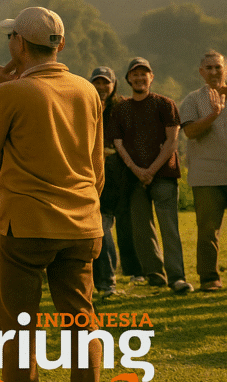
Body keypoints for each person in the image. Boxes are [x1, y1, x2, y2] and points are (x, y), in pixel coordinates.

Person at [0, 6, 105, 382]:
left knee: (18, 331)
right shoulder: (88, 90)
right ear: (59, 45)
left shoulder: (11, 92)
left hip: (26, 226)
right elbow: (97, 169)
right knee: (82, 324)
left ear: (18, 45)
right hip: (83, 225)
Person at [111, 57, 191, 293]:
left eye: (143, 73)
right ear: (128, 79)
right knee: (142, 230)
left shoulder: (165, 104)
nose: (139, 77)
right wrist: (137, 171)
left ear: (151, 77)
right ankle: (155, 276)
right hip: (134, 178)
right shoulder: (121, 109)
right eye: (134, 74)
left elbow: (172, 141)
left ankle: (177, 277)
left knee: (169, 228)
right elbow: (118, 143)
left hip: (164, 175)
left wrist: (151, 170)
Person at [178, 50, 227, 292]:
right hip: (207, 175)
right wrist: (213, 115)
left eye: (218, 67)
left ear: (225, 68)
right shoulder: (193, 100)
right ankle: (209, 278)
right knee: (208, 230)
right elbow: (189, 132)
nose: (214, 71)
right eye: (209, 68)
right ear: (201, 72)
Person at [88, 66, 138, 298]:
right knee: (102, 228)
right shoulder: (85, 106)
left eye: (105, 83)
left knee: (118, 227)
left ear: (114, 84)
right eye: (97, 82)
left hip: (122, 174)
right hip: (94, 176)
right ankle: (107, 281)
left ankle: (124, 275)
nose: (101, 87)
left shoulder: (122, 107)